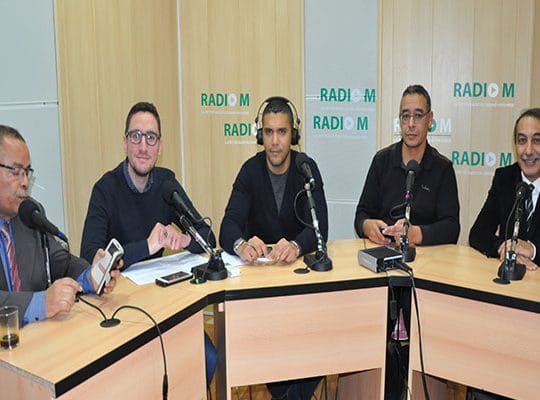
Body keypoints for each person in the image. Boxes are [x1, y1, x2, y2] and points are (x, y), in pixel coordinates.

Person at [80, 101, 217, 387]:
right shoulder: (105, 189)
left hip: (163, 302)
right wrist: (147, 246)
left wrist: (186, 239)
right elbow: (89, 257)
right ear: (125, 142)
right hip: (122, 309)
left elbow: (208, 237)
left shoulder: (166, 184)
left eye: (151, 138)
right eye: (136, 136)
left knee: (207, 357)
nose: (143, 146)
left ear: (160, 146)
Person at [219, 96, 328, 399]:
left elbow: (320, 228)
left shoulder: (306, 168)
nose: (275, 141)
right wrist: (241, 244)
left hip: (299, 286)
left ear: (293, 134)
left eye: (282, 132)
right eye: (268, 132)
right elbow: (227, 226)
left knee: (320, 342)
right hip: (261, 290)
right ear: (260, 135)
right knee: (273, 355)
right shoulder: (250, 171)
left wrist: (296, 244)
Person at [0, 125, 118, 325]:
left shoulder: (29, 213)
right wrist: (40, 303)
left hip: (38, 336)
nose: (25, 182)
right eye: (16, 171)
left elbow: (61, 263)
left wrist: (91, 276)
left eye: (27, 172)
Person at [354, 84, 460, 246]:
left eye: (418, 116)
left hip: (426, 256)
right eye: (405, 116)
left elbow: (451, 228)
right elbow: (362, 214)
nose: (411, 124)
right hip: (384, 250)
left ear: (430, 119)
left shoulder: (442, 168)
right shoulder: (382, 160)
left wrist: (416, 234)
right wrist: (367, 226)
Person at [469, 107, 540, 271]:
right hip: (509, 279)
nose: (528, 151)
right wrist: (505, 248)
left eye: (537, 141)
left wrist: (533, 250)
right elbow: (478, 233)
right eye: (522, 140)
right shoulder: (505, 178)